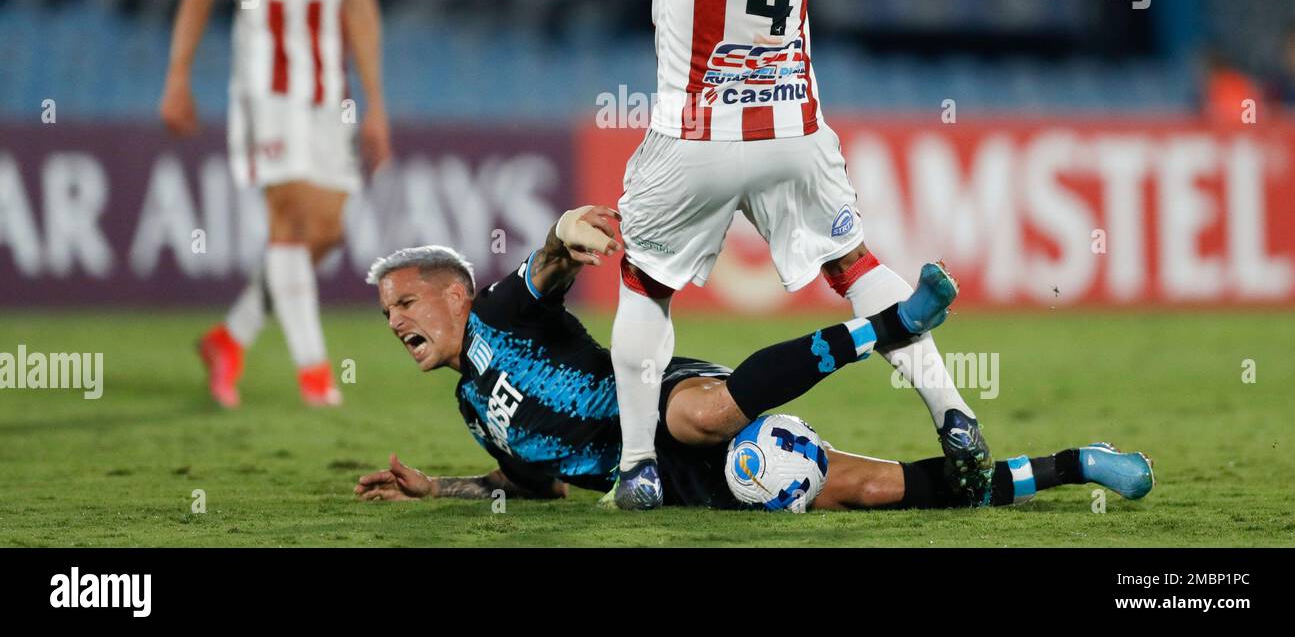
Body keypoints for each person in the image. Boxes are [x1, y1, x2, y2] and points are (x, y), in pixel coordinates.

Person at [377, 0, 989, 509]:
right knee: (855, 266)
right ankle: (955, 412)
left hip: (696, 134)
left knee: (647, 287)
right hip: (795, 128)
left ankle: (636, 465)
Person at [354, 204, 1154, 511]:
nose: (395, 322)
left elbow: (552, 261)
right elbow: (540, 485)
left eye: (406, 302)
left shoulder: (498, 310)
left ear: (455, 294)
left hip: (655, 404)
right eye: (389, 311)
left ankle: (893, 324)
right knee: (873, 489)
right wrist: (440, 488)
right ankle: (1077, 464)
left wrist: (567, 232)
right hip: (672, 488)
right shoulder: (471, 410)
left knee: (698, 413)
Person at [161, 0, 390, 407]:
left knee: (329, 231)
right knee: (290, 222)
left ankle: (230, 337)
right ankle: (316, 378)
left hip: (329, 89)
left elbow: (362, 7)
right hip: (266, 84)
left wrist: (376, 104)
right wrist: (178, 75)